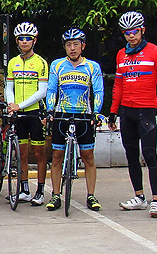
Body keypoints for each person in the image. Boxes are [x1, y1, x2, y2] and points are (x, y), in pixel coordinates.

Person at [110, 11, 157, 218]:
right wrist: (113, 111)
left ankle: (156, 200)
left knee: (150, 155)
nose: (131, 36)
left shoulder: (156, 52)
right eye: (127, 32)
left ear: (142, 30)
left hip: (146, 110)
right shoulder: (121, 54)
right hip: (126, 111)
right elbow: (118, 84)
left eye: (135, 32)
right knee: (131, 155)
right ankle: (139, 197)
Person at [45, 28, 104, 212]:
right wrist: (49, 110)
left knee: (88, 157)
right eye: (68, 45)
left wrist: (96, 112)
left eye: (75, 44)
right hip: (61, 114)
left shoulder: (92, 66)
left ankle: (91, 195)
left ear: (82, 46)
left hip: (83, 115)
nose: (72, 48)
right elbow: (52, 89)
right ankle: (56, 195)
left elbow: (98, 91)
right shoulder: (57, 65)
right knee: (57, 156)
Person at [4, 22, 49, 206]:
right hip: (18, 114)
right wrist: (11, 105)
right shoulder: (13, 62)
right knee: (21, 153)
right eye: (21, 38)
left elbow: (42, 91)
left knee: (38, 154)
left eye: (28, 39)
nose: (24, 42)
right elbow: (9, 87)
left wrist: (19, 105)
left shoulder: (40, 62)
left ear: (34, 41)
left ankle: (40, 190)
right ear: (17, 41)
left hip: (34, 113)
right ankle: (24, 189)